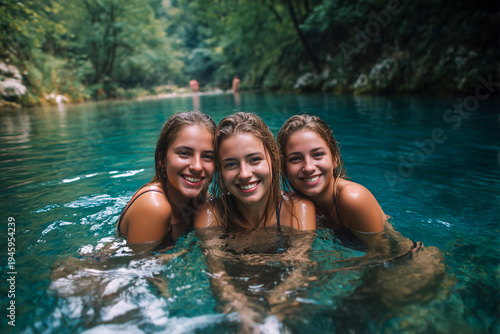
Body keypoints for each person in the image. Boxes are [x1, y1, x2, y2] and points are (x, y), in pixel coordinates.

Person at [194, 112, 316, 232]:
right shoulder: (211, 214)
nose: (244, 174)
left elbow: (300, 253)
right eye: (231, 164)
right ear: (220, 172)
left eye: (255, 160)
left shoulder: (297, 210)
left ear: (274, 160)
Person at [117, 111, 216, 245]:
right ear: (162, 159)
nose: (197, 166)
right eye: (185, 153)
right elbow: (134, 264)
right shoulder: (154, 206)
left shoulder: (202, 199)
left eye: (207, 156)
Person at [277, 114, 385, 233]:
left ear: (335, 158)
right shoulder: (291, 205)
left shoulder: (353, 198)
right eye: (295, 158)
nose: (308, 168)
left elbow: (383, 250)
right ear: (284, 167)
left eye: (317, 154)